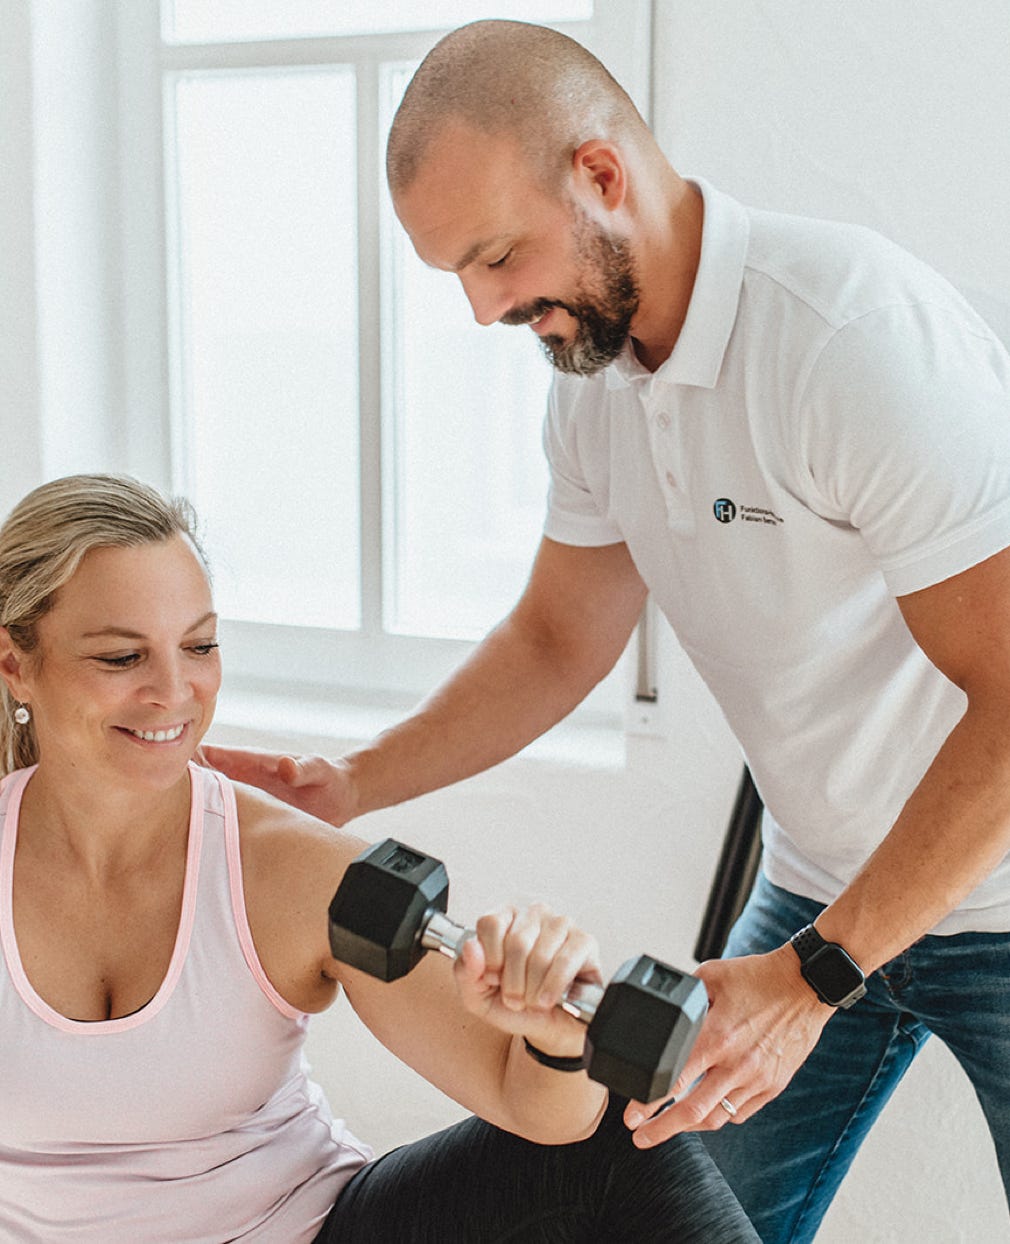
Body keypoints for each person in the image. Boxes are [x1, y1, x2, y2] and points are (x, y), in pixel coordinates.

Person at [202, 18, 1010, 1244]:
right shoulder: (598, 396)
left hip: (983, 881)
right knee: (672, 1216)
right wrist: (352, 780)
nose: (483, 309)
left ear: (598, 173)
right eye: (457, 277)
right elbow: (552, 641)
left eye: (496, 257)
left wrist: (812, 977)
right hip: (818, 887)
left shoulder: (847, 339)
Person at [0, 472, 758, 1243]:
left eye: (199, 645)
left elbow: (536, 1111)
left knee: (613, 1141)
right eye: (123, 657)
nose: (176, 691)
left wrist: (554, 1041)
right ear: (15, 665)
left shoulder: (289, 870)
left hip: (311, 1230)